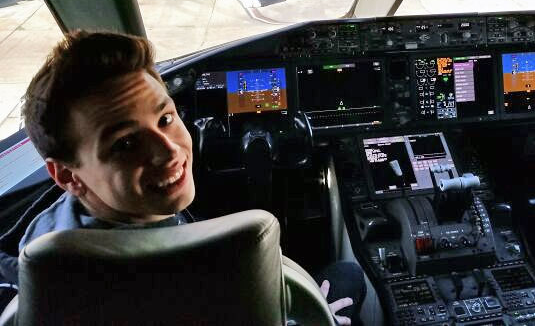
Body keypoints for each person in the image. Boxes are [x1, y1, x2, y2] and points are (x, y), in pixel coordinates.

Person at [0, 31, 364, 324]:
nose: (170, 151)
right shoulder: (207, 271)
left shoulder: (44, 243)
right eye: (126, 143)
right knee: (348, 275)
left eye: (165, 119)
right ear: (67, 175)